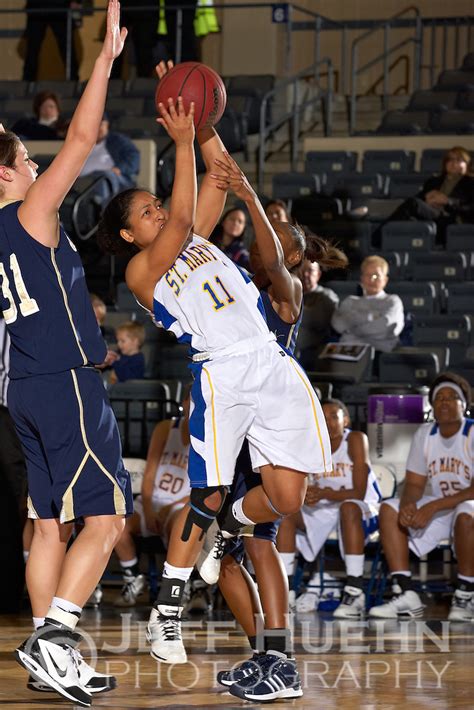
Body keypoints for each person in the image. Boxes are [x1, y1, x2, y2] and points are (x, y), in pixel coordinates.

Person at [96, 59, 340, 702]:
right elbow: (179, 222)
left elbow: (221, 178)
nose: (158, 212)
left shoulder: (193, 237)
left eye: (157, 204)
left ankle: (235, 518)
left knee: (287, 499)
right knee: (203, 491)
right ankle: (167, 613)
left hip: (269, 360)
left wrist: (198, 114)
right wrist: (178, 142)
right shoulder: (144, 272)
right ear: (128, 236)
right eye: (144, 211)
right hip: (222, 374)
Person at [1, 3, 131, 705]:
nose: (33, 162)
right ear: (5, 178)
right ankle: (54, 642)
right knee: (106, 520)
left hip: (23, 383)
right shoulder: (28, 213)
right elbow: (82, 137)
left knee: (50, 524)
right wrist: (104, 61)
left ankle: (47, 657)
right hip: (62, 383)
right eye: (23, 158)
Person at [193, 157, 347, 691]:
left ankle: (281, 661)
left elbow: (277, 261)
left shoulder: (287, 292)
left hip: (267, 427)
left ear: (296, 256)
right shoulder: (231, 282)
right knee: (230, 557)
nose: (265, 241)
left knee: (259, 541)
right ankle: (267, 657)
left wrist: (249, 196)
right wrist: (198, 130)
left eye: (277, 237)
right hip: (225, 425)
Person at [369, 372, 474, 622]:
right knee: (389, 509)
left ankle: (466, 593)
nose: (445, 402)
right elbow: (415, 483)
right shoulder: (425, 434)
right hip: (443, 508)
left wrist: (433, 506)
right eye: (439, 398)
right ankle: (406, 592)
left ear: (464, 405)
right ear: (432, 407)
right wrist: (407, 505)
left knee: (466, 511)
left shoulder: (471, 433)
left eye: (452, 397)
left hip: (465, 507)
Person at [277, 398, 380, 617]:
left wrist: (323, 493)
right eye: (322, 418)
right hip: (324, 507)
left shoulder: (354, 439)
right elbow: (300, 483)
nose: (328, 422)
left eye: (334, 416)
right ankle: (285, 592)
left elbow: (359, 492)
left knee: (349, 508)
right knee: (287, 512)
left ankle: (355, 591)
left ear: (346, 420)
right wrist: (305, 495)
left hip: (361, 505)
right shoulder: (309, 444)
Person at [114, 388, 191, 607]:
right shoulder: (167, 428)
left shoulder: (210, 434)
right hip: (152, 500)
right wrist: (148, 508)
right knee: (115, 522)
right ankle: (133, 578)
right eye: (191, 401)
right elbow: (149, 474)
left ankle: (179, 588)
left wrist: (170, 508)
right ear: (183, 402)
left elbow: (204, 489)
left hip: (182, 504)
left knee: (182, 528)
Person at [374, 146, 474, 246]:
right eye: (450, 159)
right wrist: (427, 200)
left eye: (459, 160)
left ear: (467, 164)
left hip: (451, 219)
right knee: (409, 214)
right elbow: (419, 199)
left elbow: (470, 208)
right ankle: (388, 242)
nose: (454, 163)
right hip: (431, 215)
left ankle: (376, 239)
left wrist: (448, 201)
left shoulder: (470, 183)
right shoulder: (434, 181)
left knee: (413, 204)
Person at [331, 255, 404, 354]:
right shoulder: (350, 301)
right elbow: (338, 325)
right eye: (367, 275)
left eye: (376, 275)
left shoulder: (392, 301)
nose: (371, 279)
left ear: (385, 280)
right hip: (349, 354)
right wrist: (372, 316)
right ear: (361, 278)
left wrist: (351, 330)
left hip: (379, 354)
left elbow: (386, 329)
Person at [79, 113, 140, 193]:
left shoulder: (117, 140)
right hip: (82, 182)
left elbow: (134, 157)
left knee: (105, 177)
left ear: (107, 125)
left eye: (100, 124)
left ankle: (101, 203)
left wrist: (120, 168)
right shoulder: (81, 144)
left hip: (110, 180)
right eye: (93, 125)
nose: (96, 128)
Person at [296, 259, 339, 369]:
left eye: (310, 270)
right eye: (302, 270)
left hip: (312, 350)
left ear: (318, 274)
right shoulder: (290, 293)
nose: (305, 274)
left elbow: (320, 321)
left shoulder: (326, 296)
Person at [23, 1, 81, 81]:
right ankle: (28, 81)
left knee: (66, 46)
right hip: (43, 6)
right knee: (33, 48)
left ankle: (73, 79)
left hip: (56, 6)